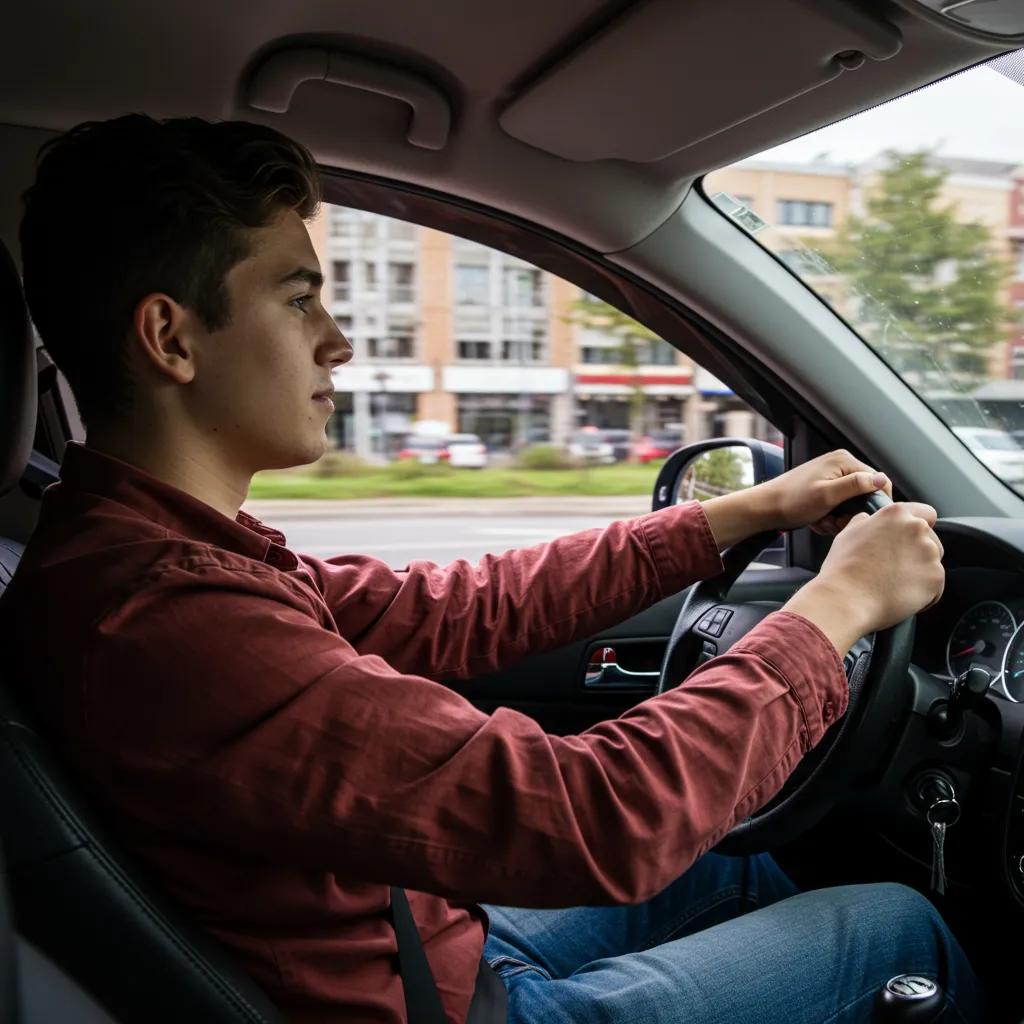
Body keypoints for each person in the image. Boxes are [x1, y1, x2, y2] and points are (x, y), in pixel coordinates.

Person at [0, 114, 979, 1024]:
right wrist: (837, 607)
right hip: (443, 1006)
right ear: (171, 338)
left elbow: (455, 611)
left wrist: (741, 513)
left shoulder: (146, 558)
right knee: (897, 927)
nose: (338, 342)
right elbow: (603, 816)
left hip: (423, 945)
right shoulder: (172, 619)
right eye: (298, 300)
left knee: (737, 864)